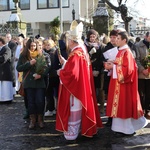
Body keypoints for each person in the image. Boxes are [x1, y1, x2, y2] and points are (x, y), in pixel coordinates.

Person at [56, 20, 103, 142]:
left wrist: (60, 72)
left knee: (74, 110)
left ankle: (72, 134)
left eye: (68, 41)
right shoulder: (81, 51)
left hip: (76, 89)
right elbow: (77, 69)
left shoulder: (76, 54)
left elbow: (72, 74)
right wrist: (66, 63)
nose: (67, 43)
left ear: (71, 41)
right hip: (83, 85)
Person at [104, 31, 147, 136]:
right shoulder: (120, 51)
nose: (116, 40)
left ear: (124, 40)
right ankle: (121, 129)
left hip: (124, 85)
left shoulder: (127, 52)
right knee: (119, 107)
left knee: (124, 107)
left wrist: (112, 67)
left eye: (118, 38)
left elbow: (128, 70)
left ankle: (127, 130)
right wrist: (112, 64)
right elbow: (120, 65)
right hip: (118, 84)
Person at [16, 37, 49, 129]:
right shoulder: (23, 55)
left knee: (40, 101)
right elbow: (18, 68)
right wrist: (29, 63)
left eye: (34, 46)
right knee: (31, 102)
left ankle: (40, 119)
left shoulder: (41, 54)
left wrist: (41, 75)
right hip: (29, 83)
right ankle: (32, 120)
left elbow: (46, 68)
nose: (33, 48)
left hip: (39, 82)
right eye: (31, 46)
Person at [84, 29, 105, 113]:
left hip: (99, 71)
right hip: (89, 70)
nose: (92, 38)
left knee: (100, 89)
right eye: (90, 37)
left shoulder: (101, 46)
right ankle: (92, 105)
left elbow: (102, 59)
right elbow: (84, 58)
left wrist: (98, 70)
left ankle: (102, 106)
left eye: (94, 36)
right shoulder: (86, 46)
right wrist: (90, 53)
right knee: (91, 89)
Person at [103, 29, 118, 127]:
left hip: (118, 76)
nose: (112, 39)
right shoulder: (106, 47)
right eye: (111, 37)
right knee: (110, 98)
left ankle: (117, 118)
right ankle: (110, 118)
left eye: (114, 37)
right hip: (108, 75)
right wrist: (106, 63)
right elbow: (102, 59)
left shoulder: (122, 48)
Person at [136, 31, 150, 119]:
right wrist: (142, 69)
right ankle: (140, 111)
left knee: (149, 93)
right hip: (141, 74)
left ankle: (147, 111)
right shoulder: (138, 46)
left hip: (149, 74)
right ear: (146, 36)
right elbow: (136, 60)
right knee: (141, 94)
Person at [0, 36, 15, 102]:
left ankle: (7, 99)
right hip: (1, 70)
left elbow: (4, 58)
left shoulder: (7, 49)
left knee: (5, 86)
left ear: (1, 42)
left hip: (5, 70)